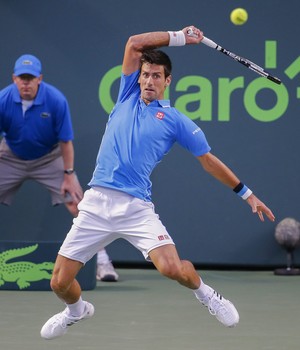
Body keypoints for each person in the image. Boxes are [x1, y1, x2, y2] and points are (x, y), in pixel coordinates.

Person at [40, 26, 275, 340]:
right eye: (146, 74)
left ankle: (206, 294)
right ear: (138, 77)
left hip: (135, 208)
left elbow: (208, 161)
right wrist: (179, 36)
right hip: (96, 204)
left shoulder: (176, 121)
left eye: (156, 76)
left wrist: (247, 194)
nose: (149, 80)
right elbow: (134, 43)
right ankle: (76, 310)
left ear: (167, 81)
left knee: (172, 269)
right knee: (59, 283)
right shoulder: (126, 94)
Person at [0, 54, 118, 282]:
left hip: (49, 157)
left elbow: (66, 142)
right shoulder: (3, 100)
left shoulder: (55, 101)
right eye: (22, 78)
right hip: (11, 156)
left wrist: (69, 174)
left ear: (39, 79)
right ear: (14, 78)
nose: (26, 83)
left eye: (30, 78)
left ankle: (102, 262)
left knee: (77, 203)